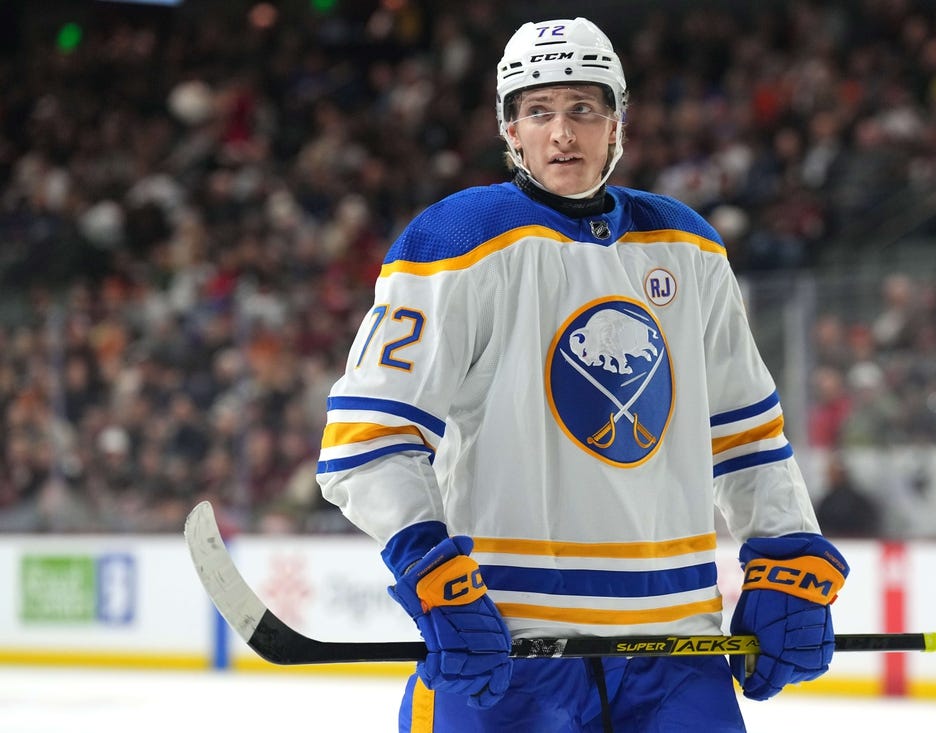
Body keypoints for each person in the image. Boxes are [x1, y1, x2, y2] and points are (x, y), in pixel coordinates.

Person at [316, 17, 847, 732]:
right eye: (538, 112)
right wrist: (429, 569)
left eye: (582, 109)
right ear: (510, 130)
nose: (562, 133)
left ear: (616, 122)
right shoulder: (456, 240)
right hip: (512, 645)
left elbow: (745, 434)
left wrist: (786, 549)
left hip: (674, 645)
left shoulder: (687, 245)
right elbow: (368, 438)